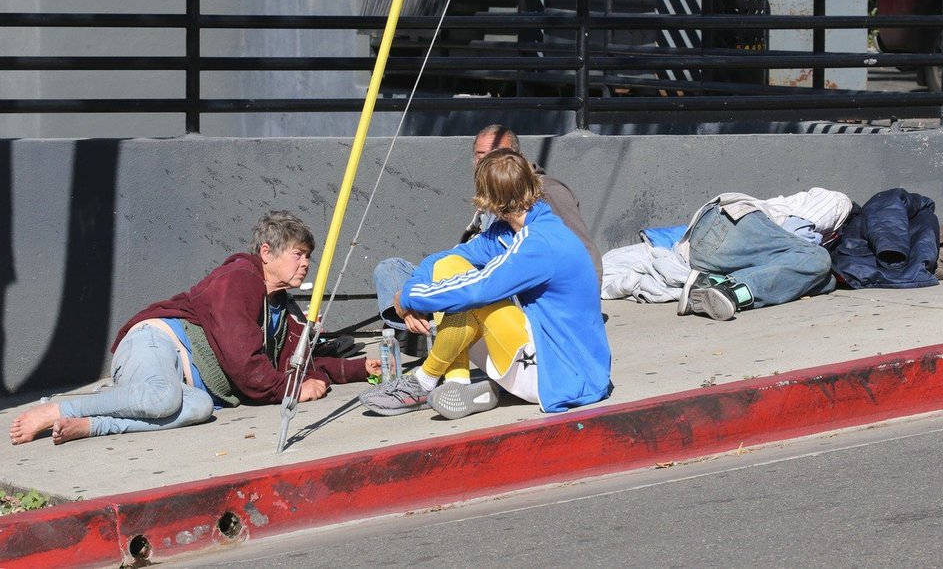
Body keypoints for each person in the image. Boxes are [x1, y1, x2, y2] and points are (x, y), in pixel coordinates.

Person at [10, 210, 380, 445]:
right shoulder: (239, 279)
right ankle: (58, 409)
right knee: (163, 398)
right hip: (157, 343)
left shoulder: (280, 308)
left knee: (200, 407)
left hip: (184, 380)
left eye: (308, 257)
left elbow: (296, 362)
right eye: (298, 254)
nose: (306, 264)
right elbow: (247, 369)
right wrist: (294, 389)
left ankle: (92, 425)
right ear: (266, 253)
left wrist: (358, 369)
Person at [359, 149, 612, 419]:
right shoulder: (508, 232)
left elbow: (477, 289)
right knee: (449, 270)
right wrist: (410, 292)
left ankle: (423, 381)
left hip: (564, 377)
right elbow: (443, 259)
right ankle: (458, 386)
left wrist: (407, 299)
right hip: (542, 357)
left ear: (490, 200)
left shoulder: (541, 243)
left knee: (474, 296)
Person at [373, 124, 601, 336]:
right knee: (392, 269)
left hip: (506, 290)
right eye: (481, 156)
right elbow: (458, 255)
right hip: (476, 278)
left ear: (517, 158)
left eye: (497, 155)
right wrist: (411, 294)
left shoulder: (545, 198)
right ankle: (426, 326)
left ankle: (435, 336)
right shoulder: (498, 220)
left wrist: (585, 311)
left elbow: (584, 253)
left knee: (469, 291)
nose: (488, 162)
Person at [674, 188, 852, 321]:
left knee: (827, 281)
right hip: (727, 224)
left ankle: (707, 284)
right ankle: (732, 291)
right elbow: (794, 229)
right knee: (818, 258)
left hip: (700, 255)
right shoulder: (840, 202)